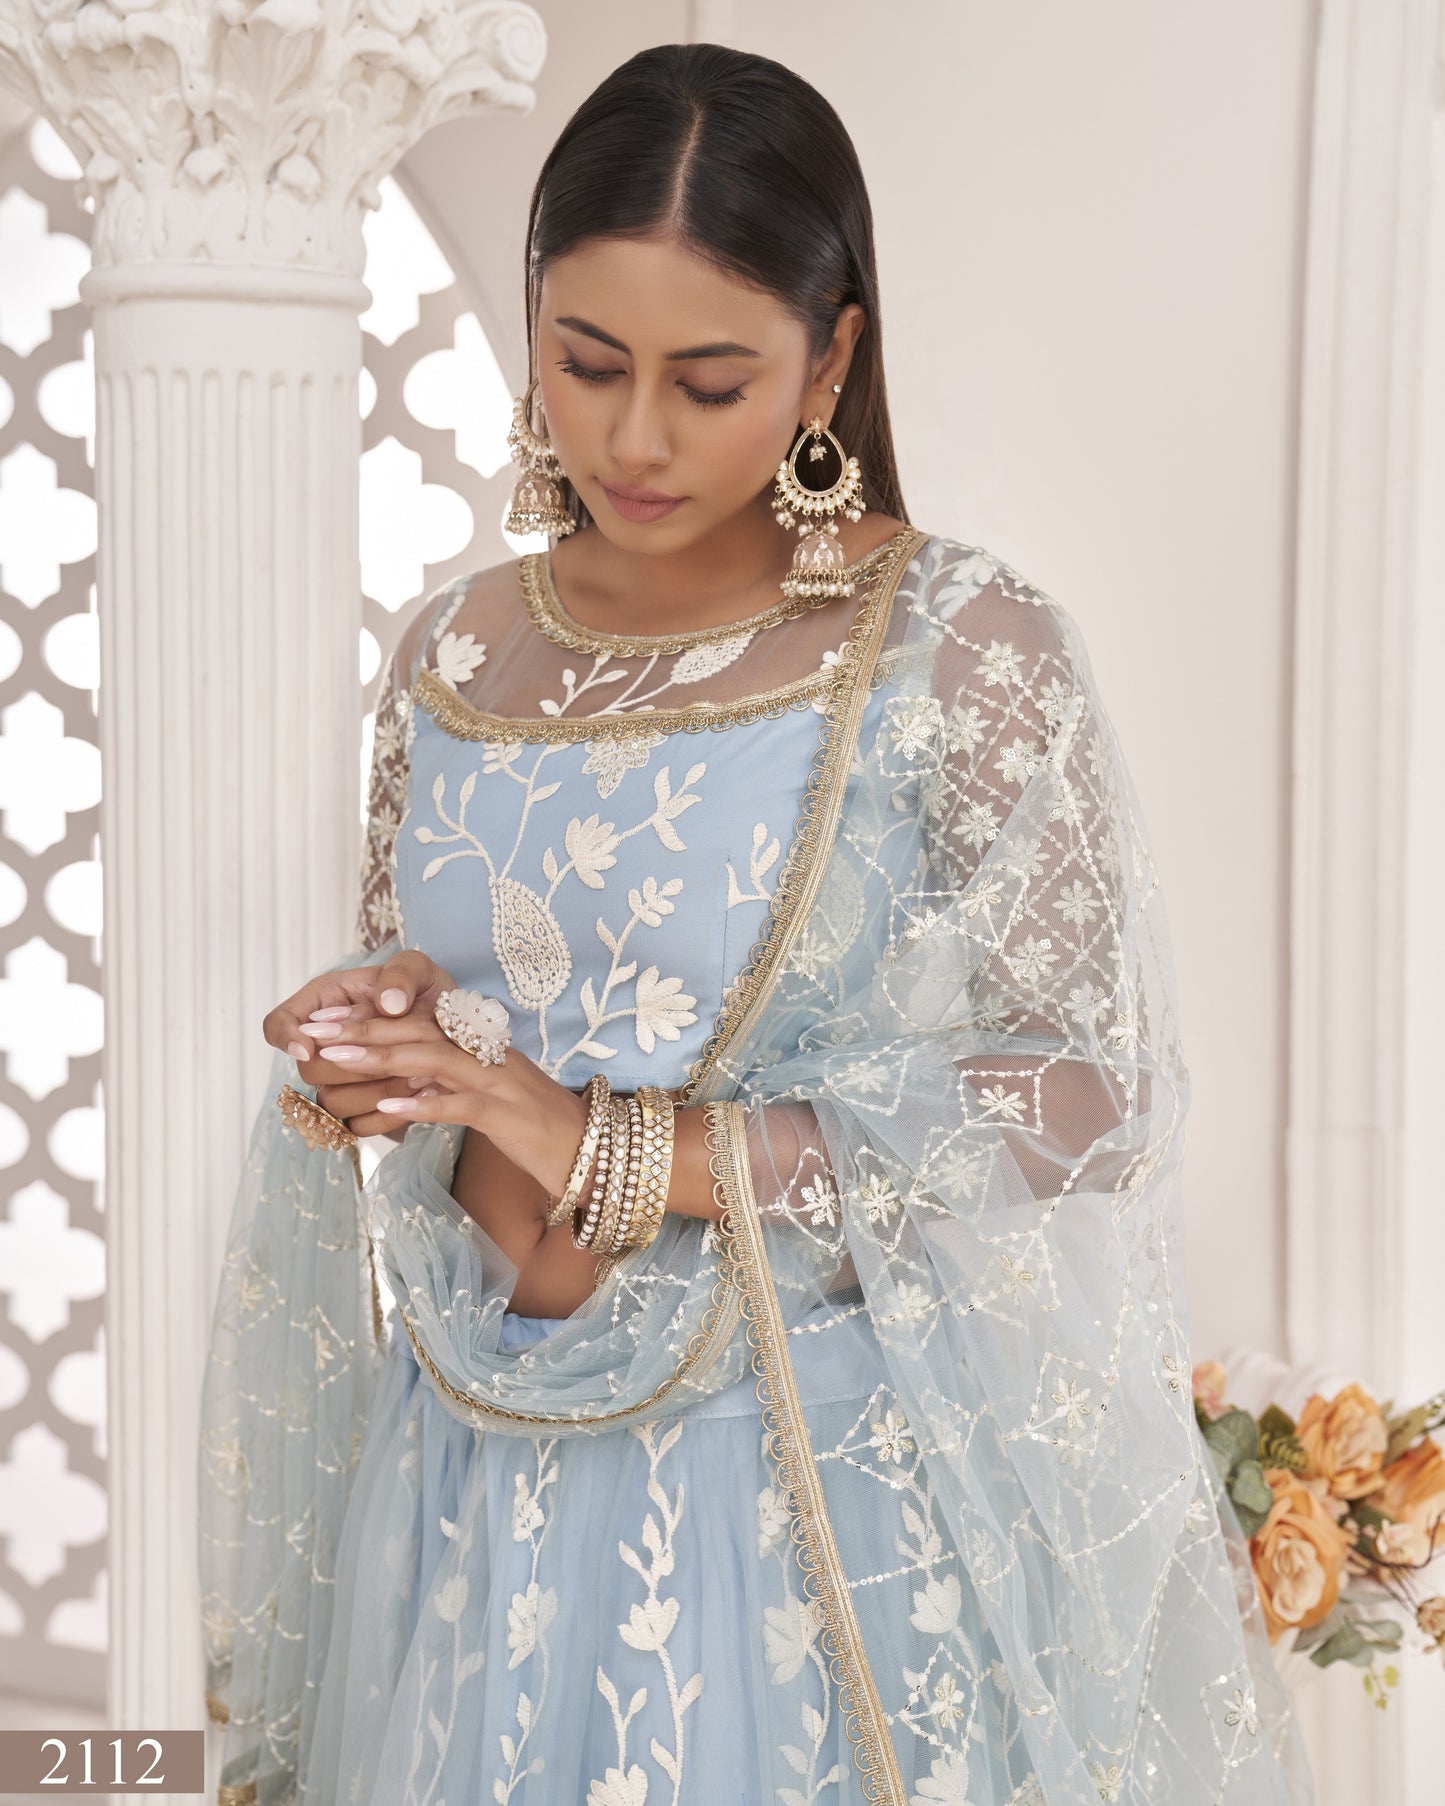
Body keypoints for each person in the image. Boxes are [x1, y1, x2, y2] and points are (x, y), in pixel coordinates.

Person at [198, 41, 1314, 1806]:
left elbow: (1087, 1093)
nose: (633, 437)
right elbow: (459, 987)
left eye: (708, 381)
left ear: (832, 358)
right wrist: (381, 1053)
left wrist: (615, 1144)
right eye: (583, 361)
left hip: (787, 1501)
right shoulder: (459, 650)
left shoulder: (955, 644)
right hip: (467, 1481)